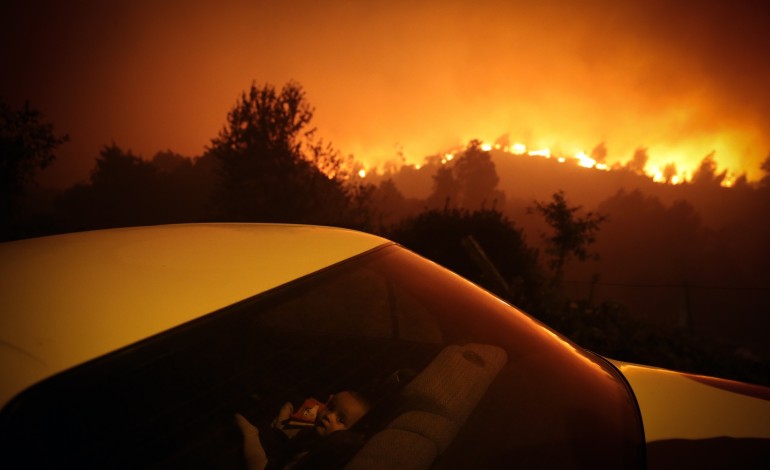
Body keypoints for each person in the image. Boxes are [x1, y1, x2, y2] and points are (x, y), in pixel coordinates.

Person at [235, 391, 371, 470]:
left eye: (341, 419)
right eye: (330, 407)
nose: (329, 416)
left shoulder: (322, 458)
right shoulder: (312, 433)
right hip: (278, 456)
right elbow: (286, 449)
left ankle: (249, 430)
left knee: (250, 432)